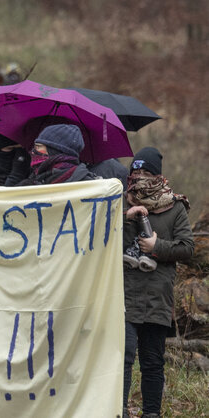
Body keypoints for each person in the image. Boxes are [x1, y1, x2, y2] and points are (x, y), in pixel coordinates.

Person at [122, 147, 194, 418]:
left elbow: (187, 249)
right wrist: (125, 218)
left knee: (152, 361)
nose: (138, 178)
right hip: (125, 294)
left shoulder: (175, 207)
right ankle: (120, 412)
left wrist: (156, 246)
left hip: (157, 298)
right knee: (125, 358)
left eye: (145, 173)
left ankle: (151, 414)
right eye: (134, 173)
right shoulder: (120, 204)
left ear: (157, 175)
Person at [17, 124, 99, 185]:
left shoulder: (87, 185)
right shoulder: (35, 178)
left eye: (38, 147)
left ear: (54, 150)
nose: (33, 151)